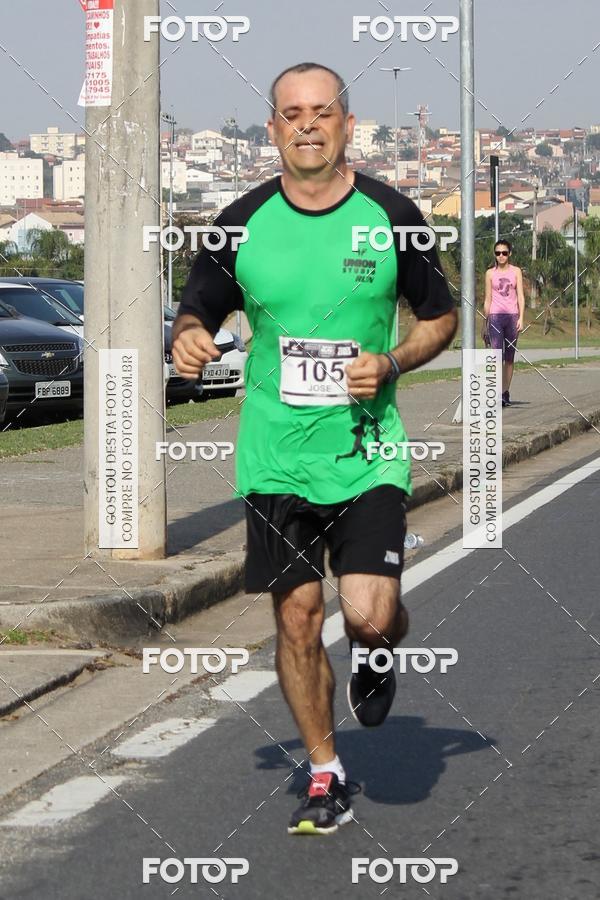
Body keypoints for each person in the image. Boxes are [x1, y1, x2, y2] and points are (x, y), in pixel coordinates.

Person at [172, 62, 457, 835]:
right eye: (291, 113)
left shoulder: (393, 215)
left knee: (367, 616)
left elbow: (440, 317)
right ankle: (325, 770)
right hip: (275, 459)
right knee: (297, 620)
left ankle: (376, 646)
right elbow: (195, 309)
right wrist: (191, 338)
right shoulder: (239, 220)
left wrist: (393, 360)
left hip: (367, 455)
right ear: (272, 129)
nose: (307, 124)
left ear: (346, 124)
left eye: (321, 111)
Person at [483, 240, 525, 406]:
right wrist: (485, 322)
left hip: (512, 316)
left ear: (510, 254)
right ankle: (495, 392)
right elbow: (487, 299)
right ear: (495, 255)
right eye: (498, 253)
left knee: (509, 358)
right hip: (495, 316)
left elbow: (520, 296)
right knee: (495, 356)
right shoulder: (490, 274)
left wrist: (521, 317)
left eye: (504, 253)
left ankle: (504, 392)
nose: (501, 256)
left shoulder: (516, 272)